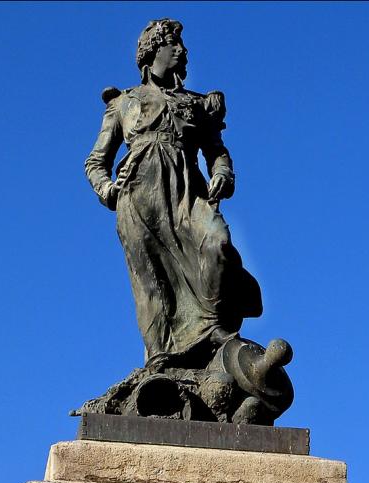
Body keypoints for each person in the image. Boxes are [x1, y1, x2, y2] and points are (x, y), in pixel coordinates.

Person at [85, 19, 262, 366]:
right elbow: (95, 160)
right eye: (174, 46)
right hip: (138, 195)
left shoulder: (197, 104)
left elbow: (216, 151)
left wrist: (222, 173)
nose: (182, 52)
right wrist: (108, 189)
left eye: (182, 46)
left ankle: (213, 328)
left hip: (187, 192)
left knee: (217, 244)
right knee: (151, 280)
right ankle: (160, 355)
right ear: (153, 51)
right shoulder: (123, 103)